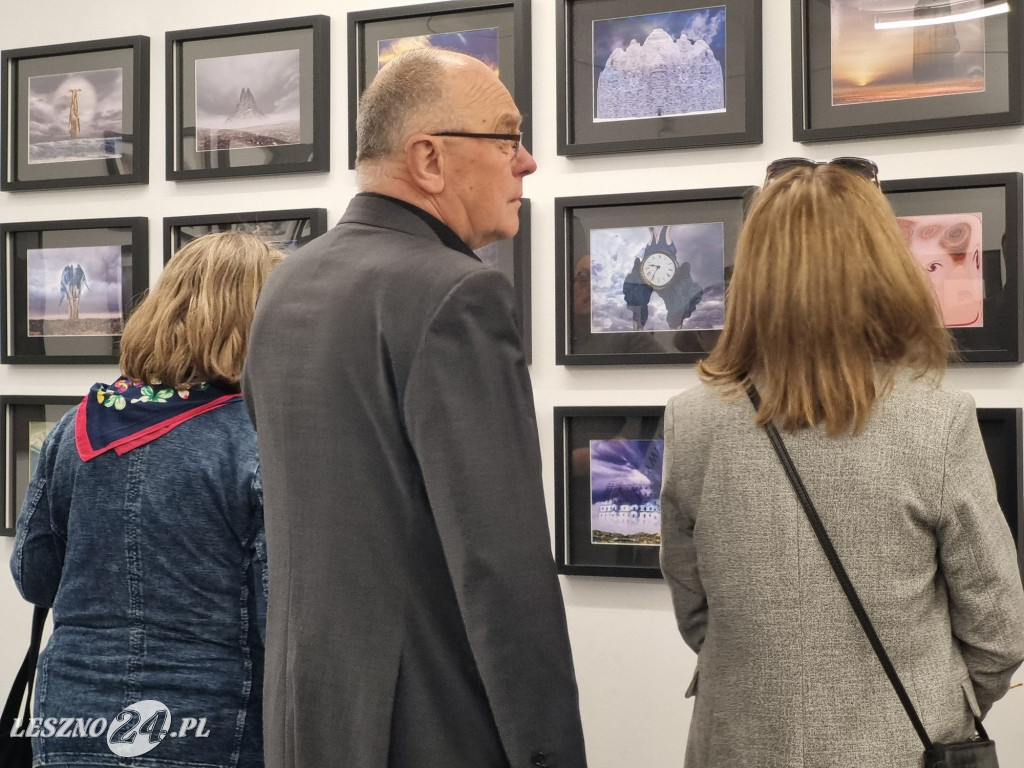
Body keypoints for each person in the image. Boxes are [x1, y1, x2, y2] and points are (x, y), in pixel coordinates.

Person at [241, 49, 587, 768]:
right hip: (432, 727)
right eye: (506, 137)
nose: (524, 163)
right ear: (429, 158)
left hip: (309, 714)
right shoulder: (458, 294)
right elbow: (500, 565)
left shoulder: (288, 282)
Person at [659, 158, 1024, 768]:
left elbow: (694, 607)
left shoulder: (691, 419)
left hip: (736, 743)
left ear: (752, 274)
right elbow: (998, 631)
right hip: (901, 749)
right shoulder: (936, 420)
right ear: (883, 269)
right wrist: (922, 705)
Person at [11, 232, 283, 767]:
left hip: (72, 712)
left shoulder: (75, 427)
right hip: (207, 716)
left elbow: (35, 576)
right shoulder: (258, 437)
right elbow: (278, 612)